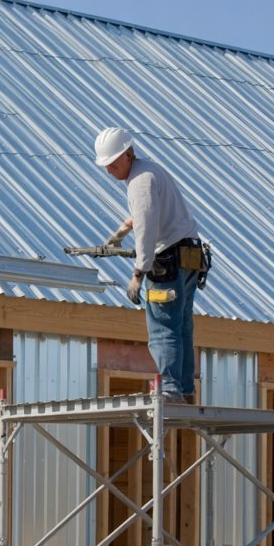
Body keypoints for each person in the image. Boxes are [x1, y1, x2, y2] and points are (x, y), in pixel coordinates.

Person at [94, 127, 205, 403]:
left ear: (129, 155)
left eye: (114, 164)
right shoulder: (149, 171)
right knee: (181, 326)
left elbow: (146, 228)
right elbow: (143, 216)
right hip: (190, 257)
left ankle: (170, 389)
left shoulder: (138, 182)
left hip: (167, 261)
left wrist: (138, 274)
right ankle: (184, 389)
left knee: (162, 325)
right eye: (107, 166)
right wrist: (119, 234)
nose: (110, 170)